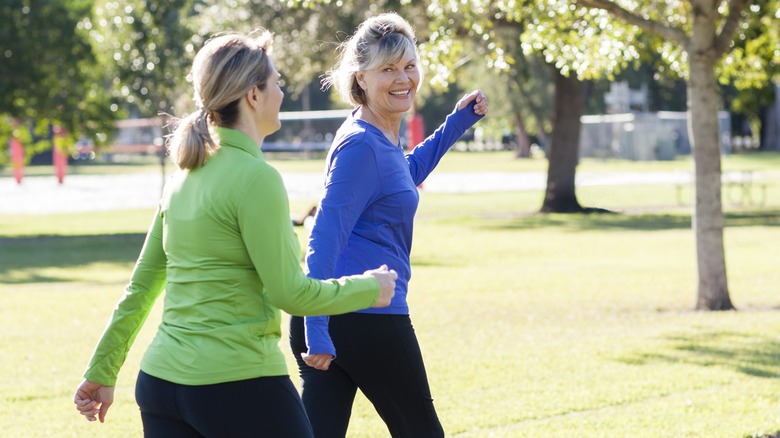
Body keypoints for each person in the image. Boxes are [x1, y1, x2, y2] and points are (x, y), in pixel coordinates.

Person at [73, 30, 398, 438]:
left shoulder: (182, 178)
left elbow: (140, 289)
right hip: (236, 383)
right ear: (253, 95)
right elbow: (290, 294)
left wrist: (103, 370)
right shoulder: (257, 179)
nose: (282, 91)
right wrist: (369, 288)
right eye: (277, 83)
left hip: (161, 385)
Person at [289, 13, 488, 438]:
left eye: (409, 66)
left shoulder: (377, 135)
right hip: (362, 316)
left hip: (340, 315)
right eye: (388, 69)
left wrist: (456, 124)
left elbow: (401, 175)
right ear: (360, 77)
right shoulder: (362, 144)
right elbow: (324, 234)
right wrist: (318, 329)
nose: (403, 78)